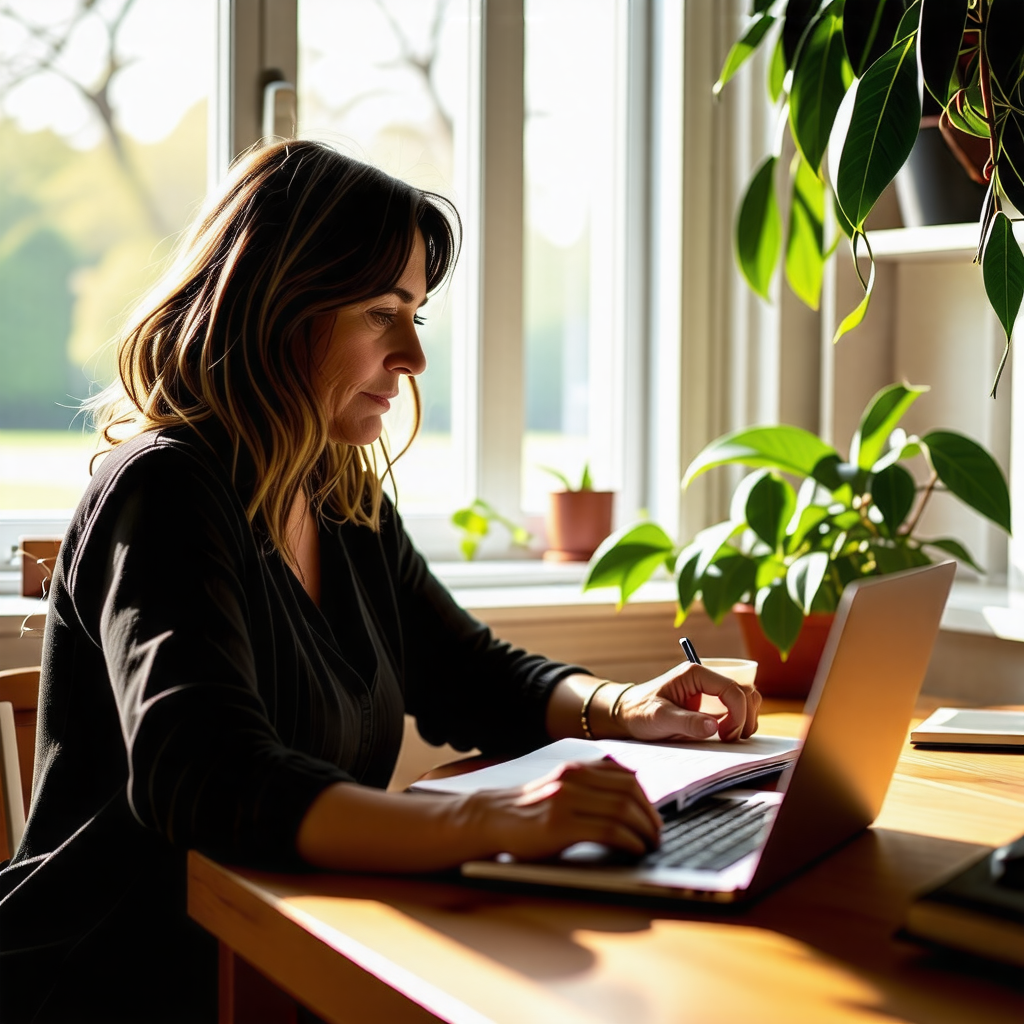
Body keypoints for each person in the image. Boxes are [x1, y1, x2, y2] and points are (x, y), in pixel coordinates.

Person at [0, 139, 760, 1023]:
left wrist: (625, 706)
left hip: (276, 960)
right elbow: (203, 774)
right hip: (107, 986)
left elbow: (467, 672)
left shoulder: (336, 492)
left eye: (416, 315)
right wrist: (492, 819)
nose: (412, 355)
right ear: (274, 305)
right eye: (380, 312)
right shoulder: (164, 488)